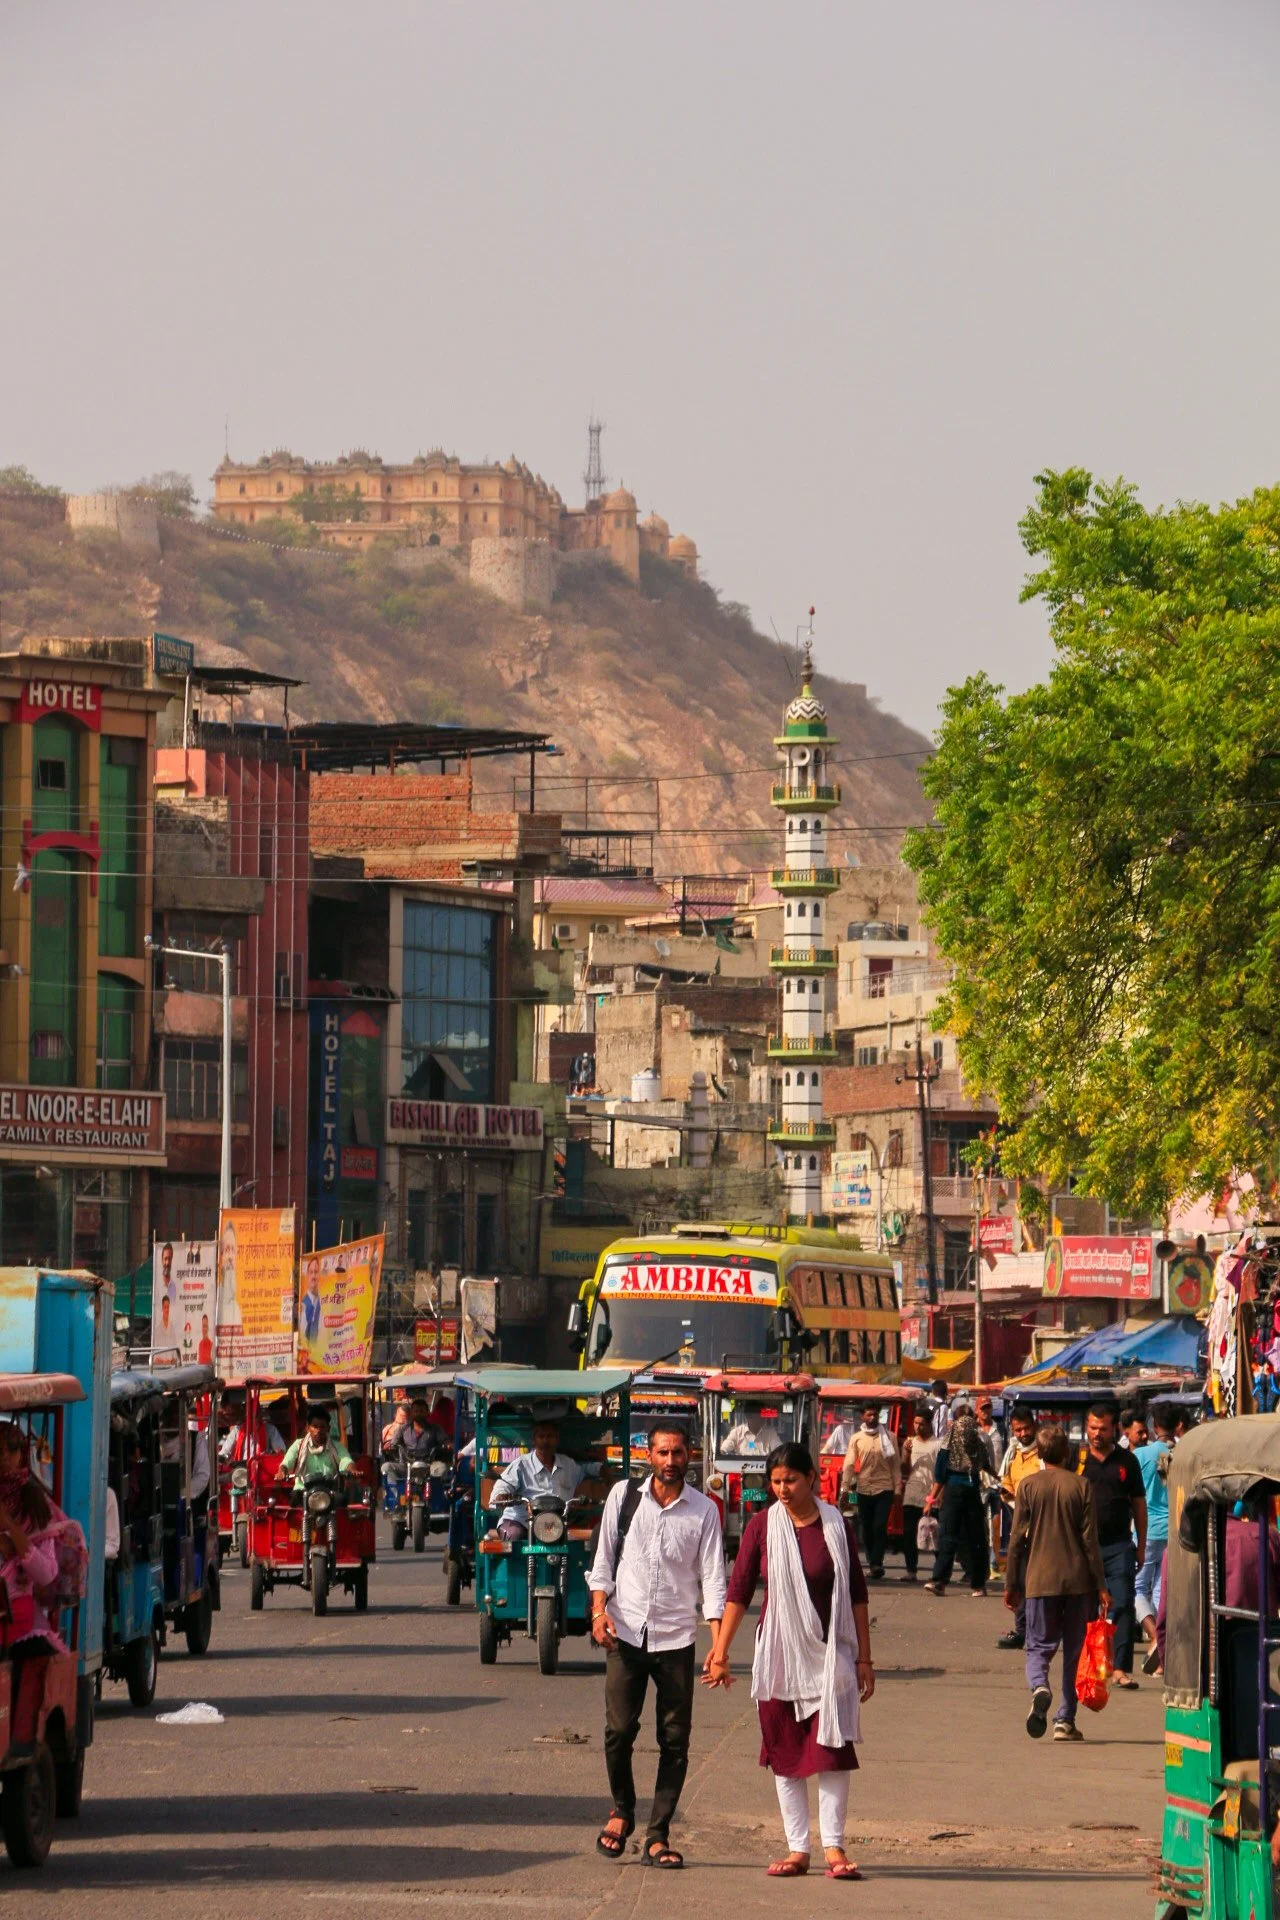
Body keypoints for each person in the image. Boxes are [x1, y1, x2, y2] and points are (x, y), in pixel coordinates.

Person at [704, 1443, 873, 1881]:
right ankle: (798, 1848)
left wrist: (865, 1659)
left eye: (791, 1480)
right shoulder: (762, 1526)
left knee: (831, 1751)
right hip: (780, 1656)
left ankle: (834, 1847)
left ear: (813, 1478)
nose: (782, 1489)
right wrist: (720, 1652)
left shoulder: (836, 1524)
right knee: (785, 1753)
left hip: (831, 1652)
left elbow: (856, 1591)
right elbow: (738, 1591)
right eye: (775, 1482)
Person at [589, 1419, 726, 1870]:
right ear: (649, 1455)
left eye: (678, 1453)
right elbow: (604, 1557)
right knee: (619, 1730)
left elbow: (713, 1581)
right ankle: (622, 1811)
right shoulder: (624, 1497)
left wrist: (717, 1647)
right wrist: (598, 1611)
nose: (671, 1461)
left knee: (674, 1741)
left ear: (691, 1455)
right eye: (663, 1453)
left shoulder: (705, 1511)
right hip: (625, 1632)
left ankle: (658, 1834)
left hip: (676, 1639)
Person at [1005, 1424, 1110, 1743]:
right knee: (1075, 1653)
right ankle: (1065, 1719)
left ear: (1038, 1453)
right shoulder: (1081, 1486)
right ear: (1067, 1453)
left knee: (1037, 1646)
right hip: (1079, 1583)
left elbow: (1016, 1540)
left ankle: (1039, 1685)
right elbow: (1090, 1541)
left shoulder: (1028, 1487)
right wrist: (1101, 1585)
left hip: (1039, 1580)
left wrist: (1012, 1582)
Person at [1078, 1403, 1146, 1690]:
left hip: (1119, 1545)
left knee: (1123, 1603)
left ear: (1115, 1428)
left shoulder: (1127, 1462)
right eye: (1092, 1427)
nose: (1096, 1433)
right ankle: (1090, 1664)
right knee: (1085, 1608)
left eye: (1103, 1428)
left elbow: (1139, 1505)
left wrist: (1141, 1546)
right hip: (1082, 1548)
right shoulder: (1077, 1459)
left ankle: (1120, 1668)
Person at [924, 1407, 989, 1597]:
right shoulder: (979, 1441)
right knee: (975, 1538)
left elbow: (940, 1475)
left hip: (954, 1493)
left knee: (949, 1537)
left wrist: (931, 1499)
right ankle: (977, 1584)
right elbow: (987, 1466)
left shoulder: (948, 1443)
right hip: (971, 1492)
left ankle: (940, 1581)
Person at [1134, 1401, 1177, 1673]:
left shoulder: (1141, 1454)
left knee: (1137, 1588)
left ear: (1154, 1426)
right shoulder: (1183, 1452)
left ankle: (1154, 1639)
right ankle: (1161, 1646)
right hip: (1173, 1529)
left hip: (1146, 1529)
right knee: (1162, 1590)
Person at [995, 1407, 1042, 1648]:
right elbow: (1007, 1483)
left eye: (1026, 1428)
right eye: (1018, 1430)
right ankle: (1023, 1630)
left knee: (1037, 1583)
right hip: (1019, 1526)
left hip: (1041, 1530)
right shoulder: (1014, 1454)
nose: (1023, 1433)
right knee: (1019, 1581)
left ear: (1034, 1425)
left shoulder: (1043, 1454)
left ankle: (1039, 1631)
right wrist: (1006, 1492)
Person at [495, 1418, 584, 1542]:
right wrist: (502, 1496)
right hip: (522, 1521)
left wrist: (602, 1469)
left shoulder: (568, 1464)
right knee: (513, 1535)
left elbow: (586, 1470)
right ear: (533, 1440)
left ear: (557, 1440)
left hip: (556, 1523)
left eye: (550, 1436)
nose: (545, 1441)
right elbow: (503, 1484)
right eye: (541, 1436)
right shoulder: (521, 1464)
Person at [840, 1404, 901, 1581]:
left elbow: (895, 1465)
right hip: (864, 1488)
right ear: (862, 1417)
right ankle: (871, 1561)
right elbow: (849, 1464)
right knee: (866, 1527)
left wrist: (897, 1489)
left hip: (885, 1488)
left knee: (879, 1526)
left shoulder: (890, 1437)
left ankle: (876, 1563)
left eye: (875, 1415)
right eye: (869, 1415)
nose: (873, 1418)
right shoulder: (857, 1438)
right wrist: (845, 1488)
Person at [899, 1409, 941, 1583]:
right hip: (912, 1492)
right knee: (909, 1534)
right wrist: (907, 1454)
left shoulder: (938, 1445)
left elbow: (941, 1474)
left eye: (921, 1423)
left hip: (932, 1494)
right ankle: (911, 1571)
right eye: (915, 1423)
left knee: (934, 1533)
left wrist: (937, 1497)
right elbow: (904, 1470)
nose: (917, 1427)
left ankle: (940, 1572)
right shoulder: (909, 1443)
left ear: (929, 1423)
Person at [280, 1408, 353, 1490]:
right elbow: (287, 1462)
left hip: (329, 1492)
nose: (319, 1430)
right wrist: (282, 1472)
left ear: (328, 1428)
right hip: (302, 1491)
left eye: (322, 1427)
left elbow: (346, 1460)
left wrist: (352, 1470)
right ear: (307, 1428)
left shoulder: (337, 1446)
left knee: (341, 1500)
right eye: (315, 1426)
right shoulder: (298, 1445)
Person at [219, 1394, 286, 1460]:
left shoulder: (270, 1429)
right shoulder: (237, 1430)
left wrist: (271, 1456)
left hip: (262, 1466)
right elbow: (224, 1452)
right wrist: (223, 1458)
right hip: (242, 1467)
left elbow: (281, 1451)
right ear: (246, 1415)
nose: (254, 1418)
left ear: (259, 1414)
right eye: (251, 1415)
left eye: (256, 1414)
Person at [300, 1258, 323, 1347]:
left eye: (316, 1272)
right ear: (307, 1276)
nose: (313, 1276)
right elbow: (303, 1339)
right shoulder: (303, 1305)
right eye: (311, 1272)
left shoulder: (323, 1302)